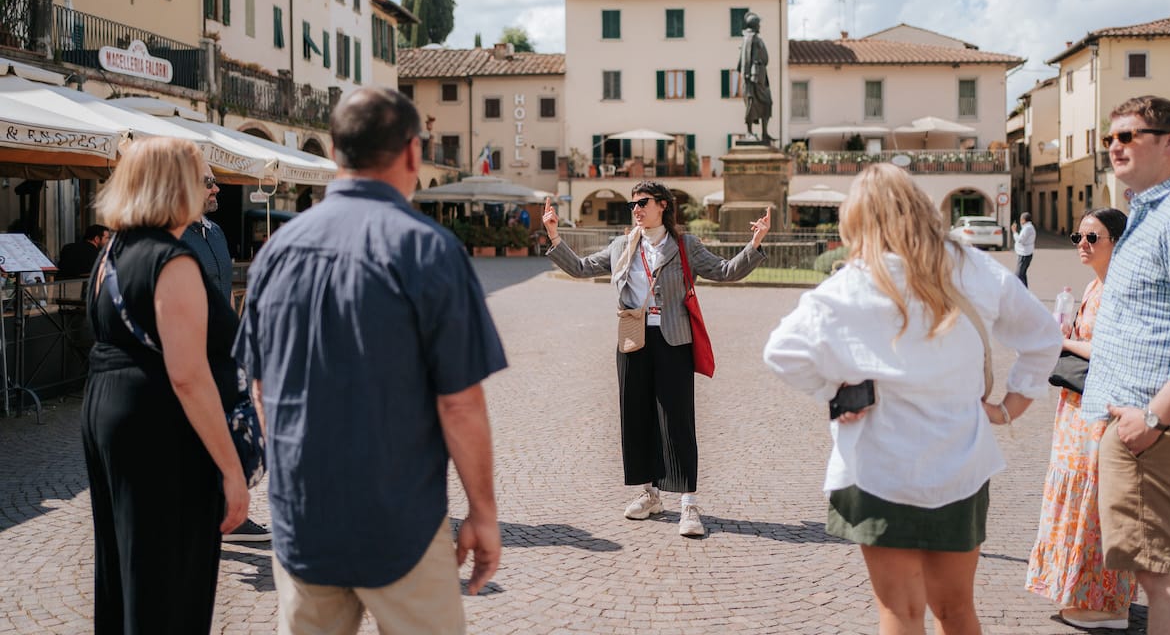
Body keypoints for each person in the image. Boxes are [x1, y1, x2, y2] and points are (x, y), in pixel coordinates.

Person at [234, 87, 505, 634]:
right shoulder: (428, 248)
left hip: (302, 517)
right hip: (397, 520)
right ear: (412, 153)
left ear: (335, 151)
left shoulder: (276, 252)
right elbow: (459, 405)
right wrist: (483, 511)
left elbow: (261, 390)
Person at [763, 164, 1060, 635]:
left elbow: (782, 352)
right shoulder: (970, 265)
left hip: (876, 465)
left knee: (900, 612)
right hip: (960, 459)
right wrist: (1012, 404)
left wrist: (835, 390)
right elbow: (1044, 335)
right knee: (957, 609)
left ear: (855, 219)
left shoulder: (850, 284)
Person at [81, 137, 249, 634]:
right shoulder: (169, 259)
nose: (210, 188)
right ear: (175, 187)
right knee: (166, 581)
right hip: (161, 428)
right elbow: (188, 373)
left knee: (128, 571)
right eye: (202, 179)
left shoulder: (113, 251)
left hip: (112, 415)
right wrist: (231, 468)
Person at [542, 181, 771, 537]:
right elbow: (583, 267)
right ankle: (650, 494)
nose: (636, 209)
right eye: (633, 204)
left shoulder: (685, 246)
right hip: (633, 340)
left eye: (643, 202)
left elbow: (726, 271)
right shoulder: (622, 245)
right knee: (636, 416)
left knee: (678, 420)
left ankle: (689, 504)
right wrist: (555, 236)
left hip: (673, 340)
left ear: (663, 205)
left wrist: (755, 243)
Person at [1080, 96, 1170, 635]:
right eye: (1110, 138)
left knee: (1163, 580)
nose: (1115, 147)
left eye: (1129, 136)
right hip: (1154, 429)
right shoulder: (1151, 213)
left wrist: (1151, 420)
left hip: (1156, 433)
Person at [1025, 208, 1135, 630]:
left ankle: (1105, 603)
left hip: (1100, 411)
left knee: (1095, 502)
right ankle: (1078, 591)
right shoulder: (1094, 285)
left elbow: (1110, 349)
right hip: (1077, 407)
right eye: (1078, 237)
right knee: (1076, 497)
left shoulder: (1120, 290)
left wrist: (1064, 339)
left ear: (1117, 242)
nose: (1083, 245)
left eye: (1093, 237)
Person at [180, 171, 271, 544]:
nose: (216, 188)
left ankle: (225, 513)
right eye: (207, 181)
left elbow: (224, 290)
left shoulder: (214, 232)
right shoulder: (174, 238)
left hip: (220, 351)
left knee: (224, 431)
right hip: (190, 352)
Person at [737, 11, 773, 142]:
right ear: (754, 24)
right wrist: (747, 76)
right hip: (752, 77)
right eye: (759, 24)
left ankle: (764, 133)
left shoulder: (757, 38)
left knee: (767, 103)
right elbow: (745, 58)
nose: (760, 26)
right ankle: (749, 132)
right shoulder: (749, 38)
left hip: (761, 77)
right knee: (751, 104)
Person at [1011, 212, 1036, 286]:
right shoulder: (1027, 227)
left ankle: (1019, 292)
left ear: (1023, 220)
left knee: (1018, 274)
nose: (1020, 221)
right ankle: (1025, 292)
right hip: (1025, 253)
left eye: (1021, 219)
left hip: (1024, 254)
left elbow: (1020, 240)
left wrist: (1014, 231)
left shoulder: (1027, 228)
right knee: (1022, 274)